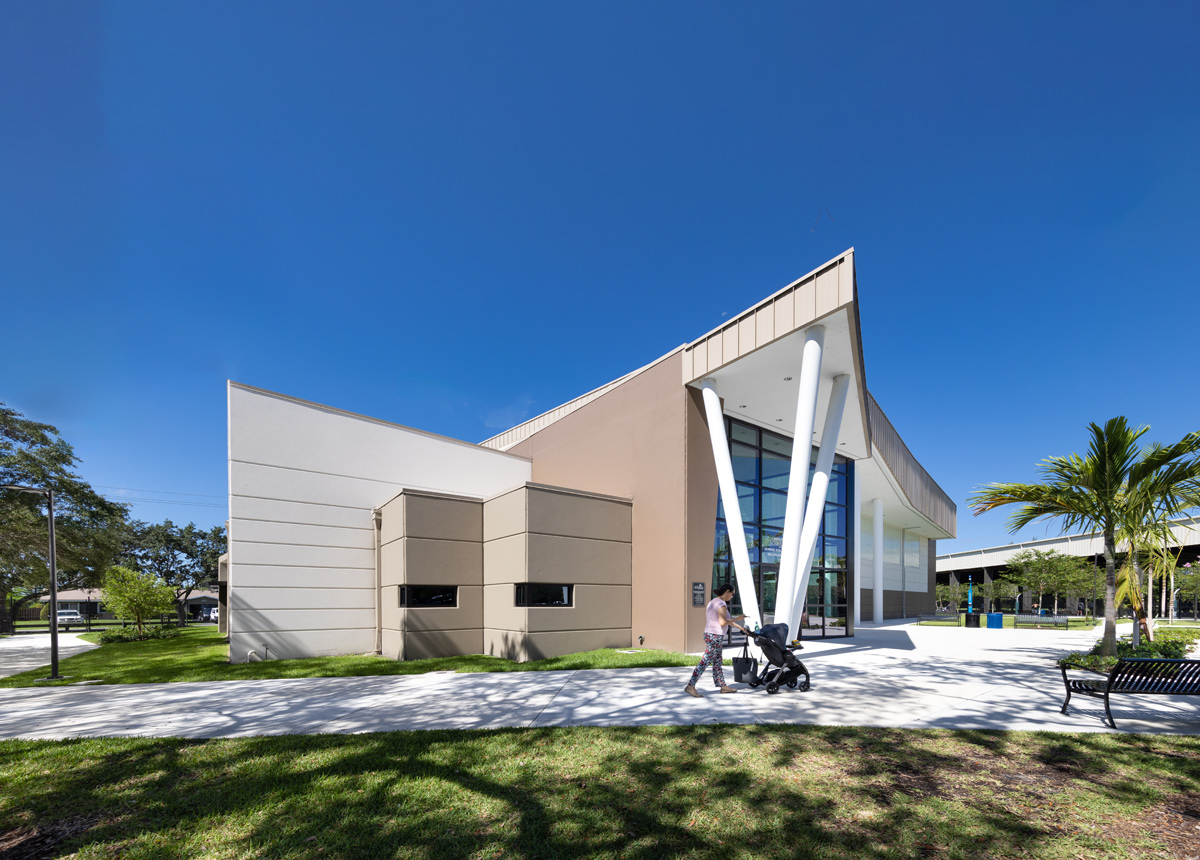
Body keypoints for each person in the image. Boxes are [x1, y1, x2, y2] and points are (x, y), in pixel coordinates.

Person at [685, 584, 749, 697]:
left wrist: (742, 628)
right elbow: (723, 622)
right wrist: (738, 619)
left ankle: (723, 686)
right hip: (715, 636)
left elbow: (727, 620)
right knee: (705, 661)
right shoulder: (721, 604)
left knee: (717, 662)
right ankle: (691, 685)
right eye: (733, 594)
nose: (732, 596)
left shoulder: (713, 602)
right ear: (727, 591)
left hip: (710, 634)